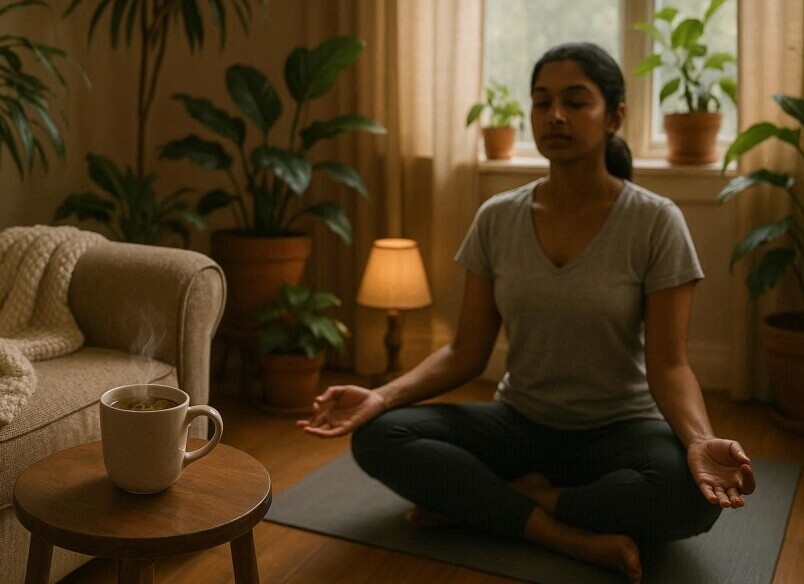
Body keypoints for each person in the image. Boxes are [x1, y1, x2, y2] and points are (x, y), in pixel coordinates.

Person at [298, 42, 756, 584]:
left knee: (691, 499)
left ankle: (507, 503)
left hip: (618, 428)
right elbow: (466, 351)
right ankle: (560, 531)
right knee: (379, 437)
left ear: (614, 117)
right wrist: (379, 396)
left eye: (575, 101)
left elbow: (670, 365)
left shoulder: (656, 222)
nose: (554, 115)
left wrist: (699, 441)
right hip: (519, 423)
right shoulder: (497, 218)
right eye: (542, 102)